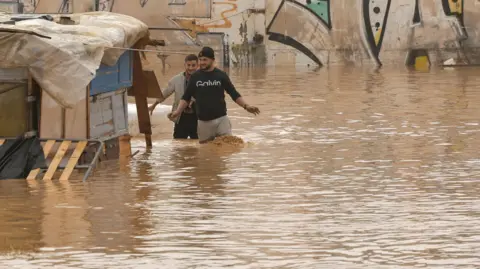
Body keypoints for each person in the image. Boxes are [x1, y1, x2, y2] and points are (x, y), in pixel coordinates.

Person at [168, 46, 260, 143]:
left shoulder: (221, 75)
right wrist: (177, 112)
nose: (202, 62)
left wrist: (246, 106)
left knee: (227, 148)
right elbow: (186, 97)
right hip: (203, 123)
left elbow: (234, 94)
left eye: (205, 60)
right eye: (200, 60)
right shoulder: (195, 77)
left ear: (213, 60)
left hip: (221, 120)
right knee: (206, 154)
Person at [149, 54, 199, 139]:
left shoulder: (202, 79)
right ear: (185, 65)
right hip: (180, 117)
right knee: (178, 144)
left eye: (193, 65)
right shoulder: (176, 79)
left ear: (197, 66)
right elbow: (165, 93)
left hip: (197, 117)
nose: (190, 68)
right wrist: (154, 105)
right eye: (188, 65)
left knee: (199, 144)